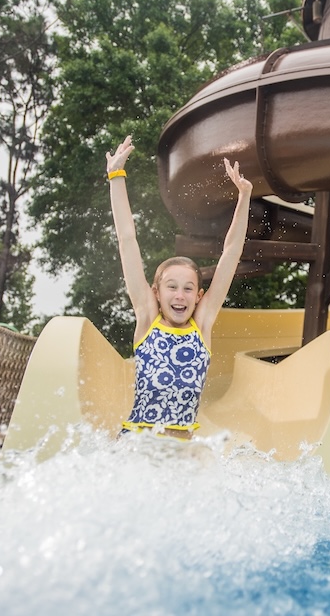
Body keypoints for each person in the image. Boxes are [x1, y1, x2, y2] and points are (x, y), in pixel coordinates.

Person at [106, 135, 252, 439]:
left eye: (188, 288)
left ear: (199, 297)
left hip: (181, 451)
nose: (180, 295)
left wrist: (244, 196)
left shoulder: (202, 324)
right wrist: (116, 177)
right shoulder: (148, 319)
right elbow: (127, 241)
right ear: (156, 293)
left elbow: (231, 254)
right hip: (136, 445)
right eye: (171, 287)